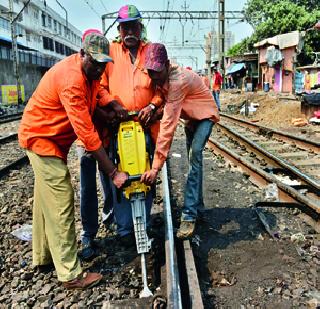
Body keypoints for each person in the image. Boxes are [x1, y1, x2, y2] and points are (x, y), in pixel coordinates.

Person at [18, 33, 128, 289]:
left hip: (50, 138)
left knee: (46, 202)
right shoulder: (72, 80)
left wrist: (109, 106)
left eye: (104, 64)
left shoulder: (91, 74)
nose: (100, 69)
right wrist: (113, 173)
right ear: (82, 54)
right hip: (41, 138)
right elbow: (86, 133)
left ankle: (43, 257)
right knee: (61, 201)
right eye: (96, 63)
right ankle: (70, 274)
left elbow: (94, 97)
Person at [96, 4, 164, 245]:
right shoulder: (110, 52)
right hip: (117, 128)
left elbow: (161, 87)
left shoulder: (151, 52)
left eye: (133, 25)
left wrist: (152, 106)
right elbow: (99, 87)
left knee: (145, 174)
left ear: (140, 26)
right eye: (125, 27)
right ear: (120, 29)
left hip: (145, 126)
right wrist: (112, 104)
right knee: (121, 175)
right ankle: (125, 230)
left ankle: (142, 225)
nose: (129, 31)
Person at [141, 43, 220, 239]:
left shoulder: (178, 81)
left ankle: (189, 215)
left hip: (205, 116)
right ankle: (198, 206)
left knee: (194, 157)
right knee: (194, 163)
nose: (154, 77)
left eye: (157, 72)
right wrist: (152, 108)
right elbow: (160, 91)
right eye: (150, 73)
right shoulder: (162, 75)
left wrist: (155, 167)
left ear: (167, 65)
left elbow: (167, 127)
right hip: (191, 118)